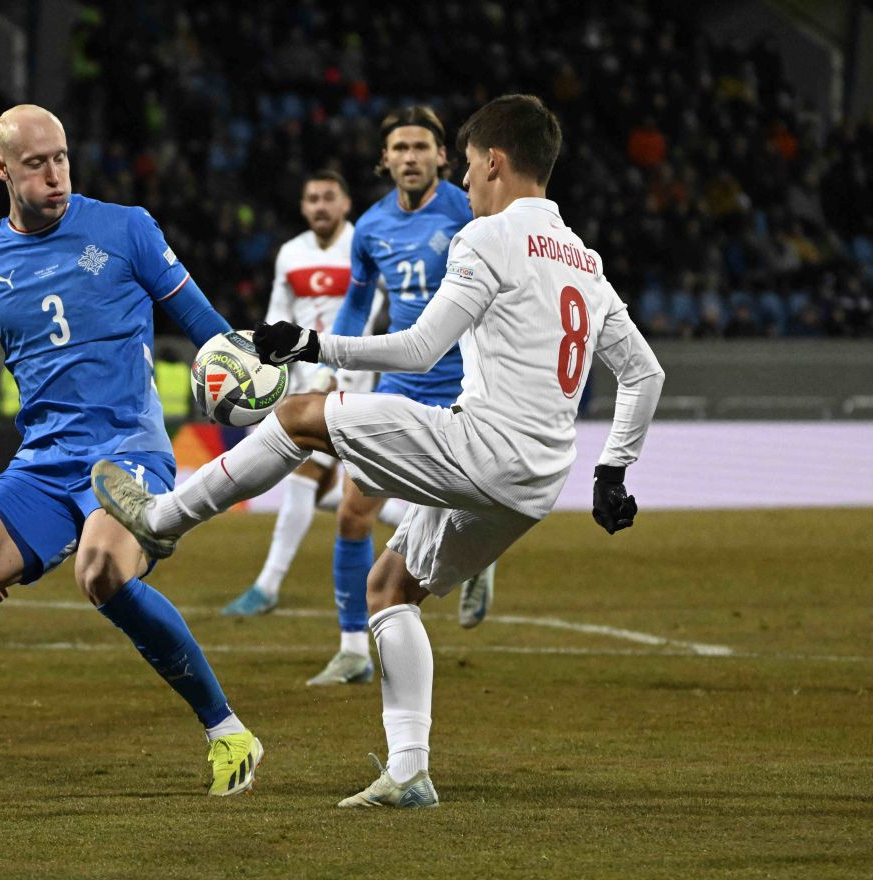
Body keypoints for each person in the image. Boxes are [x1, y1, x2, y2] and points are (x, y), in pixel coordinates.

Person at [92, 94, 664, 808]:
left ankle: (163, 519)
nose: (462, 186)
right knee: (390, 590)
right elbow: (644, 371)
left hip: (482, 445)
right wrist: (613, 469)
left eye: (468, 171)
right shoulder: (584, 257)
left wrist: (312, 343)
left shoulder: (486, 238)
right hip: (540, 480)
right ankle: (409, 771)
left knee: (302, 415)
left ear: (493, 161)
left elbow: (422, 349)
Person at [0, 105, 262, 806]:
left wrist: (251, 372)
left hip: (129, 451)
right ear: (1, 169)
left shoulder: (127, 229)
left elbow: (209, 331)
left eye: (61, 157)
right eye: (36, 163)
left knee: (100, 574)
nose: (55, 174)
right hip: (44, 461)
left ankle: (229, 731)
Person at [298, 107, 499, 689]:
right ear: (384, 160)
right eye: (399, 148)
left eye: (421, 146)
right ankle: (353, 648)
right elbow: (358, 305)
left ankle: (477, 560)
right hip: (401, 385)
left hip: (465, 385)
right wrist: (332, 362)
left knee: (467, 504)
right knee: (352, 512)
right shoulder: (371, 227)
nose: (410, 157)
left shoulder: (470, 211)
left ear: (443, 157)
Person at [222, 170, 408, 621]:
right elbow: (277, 315)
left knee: (305, 480)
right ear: (303, 207)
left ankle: (267, 586)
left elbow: (383, 309)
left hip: (353, 380)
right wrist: (264, 367)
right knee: (340, 492)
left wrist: (338, 367)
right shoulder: (290, 254)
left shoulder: (365, 247)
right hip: (305, 384)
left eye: (329, 197)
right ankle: (427, 526)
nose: (320, 205)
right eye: (312, 198)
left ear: (346, 203)